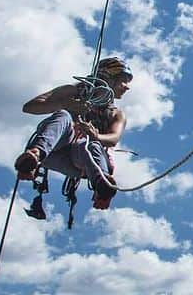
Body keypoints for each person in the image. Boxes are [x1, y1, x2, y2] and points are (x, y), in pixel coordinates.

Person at [14, 56, 132, 210]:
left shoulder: (116, 114)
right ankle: (36, 155)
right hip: (53, 151)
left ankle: (102, 184)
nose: (127, 87)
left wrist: (95, 136)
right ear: (109, 77)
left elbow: (113, 138)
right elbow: (29, 107)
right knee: (63, 115)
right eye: (123, 80)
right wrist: (63, 104)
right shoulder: (72, 91)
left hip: (82, 162)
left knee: (87, 144)